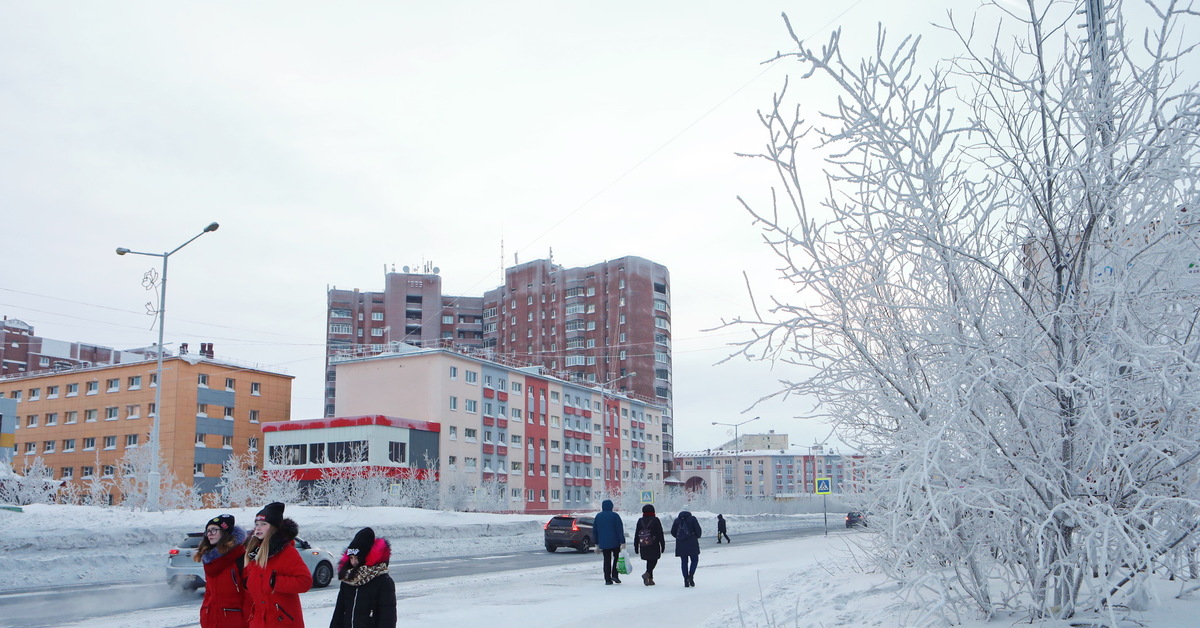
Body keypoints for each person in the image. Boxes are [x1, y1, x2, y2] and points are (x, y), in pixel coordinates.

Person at [243, 502, 311, 627]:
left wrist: (275, 582)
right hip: (259, 622)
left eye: (263, 524)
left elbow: (305, 581)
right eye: (257, 524)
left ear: (273, 528)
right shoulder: (253, 553)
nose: (258, 528)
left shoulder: (286, 552)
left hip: (282, 622)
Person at [329, 527, 396, 628]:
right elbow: (339, 613)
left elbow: (387, 619)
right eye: (351, 558)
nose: (354, 562)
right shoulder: (348, 580)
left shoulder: (382, 581)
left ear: (367, 556)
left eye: (357, 557)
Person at [194, 514, 248, 628]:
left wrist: (247, 621)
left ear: (225, 532)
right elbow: (209, 592)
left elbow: (249, 594)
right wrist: (204, 613)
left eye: (214, 530)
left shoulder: (240, 556)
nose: (209, 534)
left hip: (235, 621)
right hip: (211, 619)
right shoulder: (209, 559)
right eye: (208, 531)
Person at [594, 498, 626, 585]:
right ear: (611, 506)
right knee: (616, 558)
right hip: (615, 542)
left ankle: (607, 579)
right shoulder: (615, 516)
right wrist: (622, 541)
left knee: (606, 560)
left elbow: (595, 530)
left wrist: (596, 543)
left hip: (604, 543)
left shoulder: (598, 516)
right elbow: (619, 529)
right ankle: (615, 575)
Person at [633, 504, 666, 586]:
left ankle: (650, 579)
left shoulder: (640, 520)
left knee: (649, 560)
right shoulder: (655, 520)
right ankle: (647, 574)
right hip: (654, 544)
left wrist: (636, 546)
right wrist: (662, 544)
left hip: (643, 543)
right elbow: (660, 533)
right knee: (654, 559)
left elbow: (637, 533)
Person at [671, 510, 702, 588]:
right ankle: (691, 575)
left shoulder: (677, 520)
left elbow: (673, 532)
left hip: (681, 544)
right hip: (692, 543)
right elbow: (698, 531)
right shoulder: (692, 519)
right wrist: (695, 536)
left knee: (684, 562)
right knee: (694, 560)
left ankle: (685, 580)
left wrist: (679, 537)